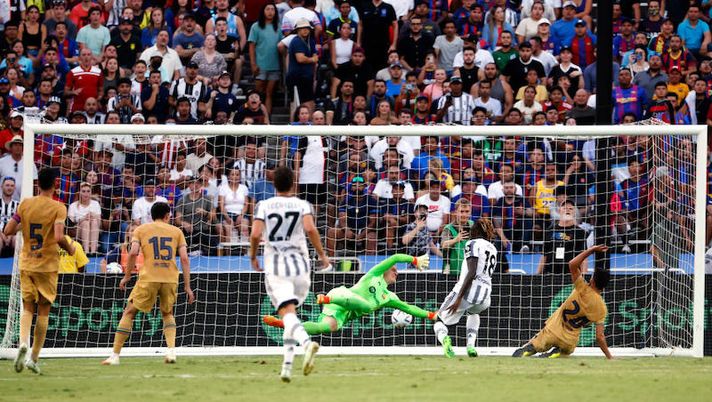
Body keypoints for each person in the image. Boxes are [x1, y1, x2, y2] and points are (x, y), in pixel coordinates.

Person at [249, 166, 331, 382]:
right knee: (289, 315)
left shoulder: (264, 205)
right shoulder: (302, 204)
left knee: (287, 314)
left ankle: (306, 344)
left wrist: (252, 256)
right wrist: (322, 256)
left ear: (273, 184)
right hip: (301, 265)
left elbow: (256, 233)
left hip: (277, 265)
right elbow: (311, 229)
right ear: (293, 183)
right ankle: (286, 367)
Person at [102, 202, 195, 366]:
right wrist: (187, 286)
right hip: (170, 278)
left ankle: (115, 356)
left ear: (152, 216)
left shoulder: (141, 229)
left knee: (129, 313)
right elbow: (185, 259)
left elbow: (132, 253)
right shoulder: (177, 231)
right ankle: (171, 351)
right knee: (167, 313)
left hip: (149, 277)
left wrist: (127, 276)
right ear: (167, 216)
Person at [5, 168, 76, 374]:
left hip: (26, 262)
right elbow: (59, 236)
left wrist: (25, 225)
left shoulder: (26, 203)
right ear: (55, 183)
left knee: (27, 306)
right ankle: (33, 357)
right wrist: (71, 248)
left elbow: (8, 230)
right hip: (47, 265)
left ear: (38, 184)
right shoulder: (58, 207)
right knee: (43, 310)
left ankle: (23, 342)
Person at [262, 253, 433, 335]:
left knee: (325, 328)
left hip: (344, 312)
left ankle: (286, 325)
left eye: (397, 272)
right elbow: (395, 257)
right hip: (340, 296)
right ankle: (326, 298)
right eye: (394, 270)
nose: (396, 272)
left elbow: (409, 308)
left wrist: (431, 314)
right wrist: (414, 260)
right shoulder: (373, 275)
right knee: (366, 307)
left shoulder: (389, 297)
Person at [513, 245, 613, 359]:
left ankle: (530, 348)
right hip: (569, 339)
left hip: (552, 330)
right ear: (604, 287)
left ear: (593, 280)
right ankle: (559, 351)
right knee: (567, 350)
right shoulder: (602, 308)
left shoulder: (582, 288)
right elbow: (599, 336)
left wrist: (591, 250)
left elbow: (572, 264)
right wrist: (609, 356)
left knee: (532, 346)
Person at [434, 218, 497, 358]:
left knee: (439, 320)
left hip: (467, 292)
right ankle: (470, 346)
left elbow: (472, 271)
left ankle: (445, 340)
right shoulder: (492, 248)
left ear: (474, 231)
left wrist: (459, 297)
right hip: (485, 297)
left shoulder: (472, 244)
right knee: (473, 313)